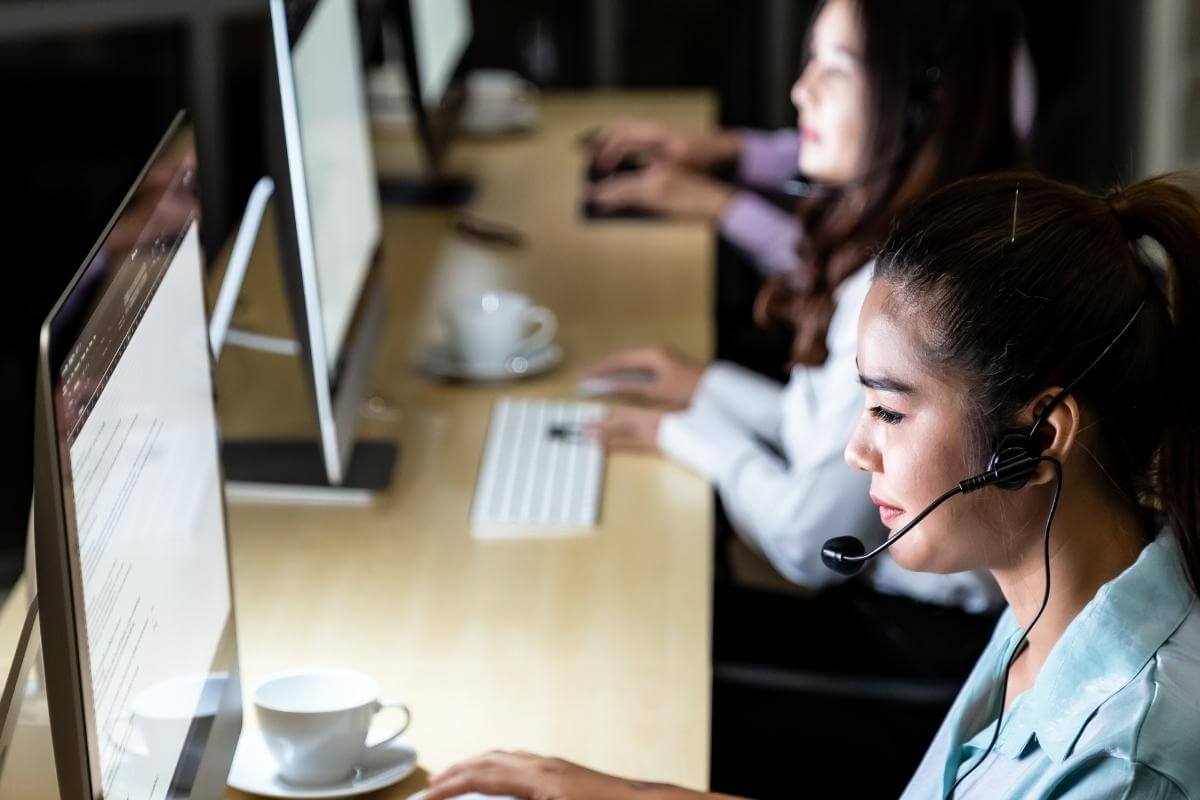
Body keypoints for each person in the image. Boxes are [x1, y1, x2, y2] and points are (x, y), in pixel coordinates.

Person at [419, 170, 1200, 800]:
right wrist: (618, 792)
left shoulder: (1125, 764)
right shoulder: (1058, 601)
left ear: (1040, 435)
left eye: (889, 412)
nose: (857, 451)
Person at [587, 0, 1023, 611]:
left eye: (836, 69)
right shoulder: (924, 241)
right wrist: (708, 388)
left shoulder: (909, 297)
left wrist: (685, 434)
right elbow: (828, 445)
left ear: (919, 108)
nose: (801, 91)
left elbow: (813, 541)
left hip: (907, 633)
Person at [584, 36, 1036, 278]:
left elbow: (834, 269)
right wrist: (726, 150)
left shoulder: (915, 273)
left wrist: (718, 204)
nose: (800, 90)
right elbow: (850, 145)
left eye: (837, 68)